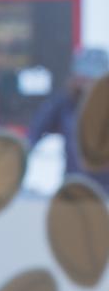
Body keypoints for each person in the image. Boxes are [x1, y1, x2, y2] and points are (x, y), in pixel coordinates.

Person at [28, 47, 109, 190]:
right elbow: (34, 134)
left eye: (92, 77)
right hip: (74, 190)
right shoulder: (64, 105)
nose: (85, 81)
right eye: (82, 76)